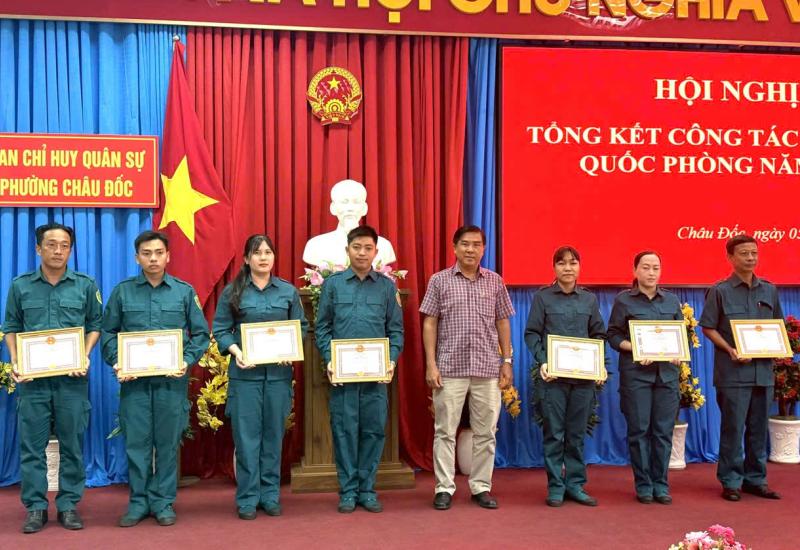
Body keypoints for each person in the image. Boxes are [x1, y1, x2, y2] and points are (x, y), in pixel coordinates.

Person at [101, 230, 210, 527]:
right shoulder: (122, 292)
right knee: (136, 444)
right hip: (135, 383)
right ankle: (138, 502)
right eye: (146, 253)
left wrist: (185, 361)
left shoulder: (183, 292)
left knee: (167, 444)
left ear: (168, 256)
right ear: (137, 257)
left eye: (159, 253)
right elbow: (108, 333)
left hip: (171, 383)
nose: (153, 258)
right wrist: (118, 362)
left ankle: (163, 502)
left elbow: (201, 334)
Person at [2, 223, 102, 534]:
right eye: (51, 244)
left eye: (64, 245)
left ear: (70, 250)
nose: (58, 251)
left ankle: (68, 505)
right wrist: (16, 361)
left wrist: (84, 354)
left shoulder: (85, 285)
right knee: (32, 447)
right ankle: (36, 507)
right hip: (33, 383)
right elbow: (11, 327)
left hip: (72, 381)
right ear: (38, 248)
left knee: (72, 444)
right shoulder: (20, 286)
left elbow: (95, 325)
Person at [212, 234, 308, 520]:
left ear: (274, 257)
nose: (263, 257)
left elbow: (301, 327)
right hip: (245, 378)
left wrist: (291, 348)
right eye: (257, 253)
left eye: (268, 252)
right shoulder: (233, 292)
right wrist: (236, 351)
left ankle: (270, 495)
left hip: (278, 378)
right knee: (246, 440)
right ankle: (247, 497)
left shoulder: (287, 292)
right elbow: (221, 329)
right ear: (246, 259)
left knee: (273, 437)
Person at [420, 224, 514, 511]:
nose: (470, 249)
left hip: (487, 368)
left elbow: (502, 321)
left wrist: (507, 361)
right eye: (465, 244)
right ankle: (444, 488)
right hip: (449, 367)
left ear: (483, 249)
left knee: (486, 432)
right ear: (454, 247)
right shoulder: (439, 281)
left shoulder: (494, 281)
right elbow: (430, 322)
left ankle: (481, 486)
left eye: (476, 244)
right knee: (445, 431)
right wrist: (431, 364)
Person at [315, 225, 404, 513]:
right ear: (347, 250)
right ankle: (348, 491)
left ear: (375, 252)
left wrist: (391, 360)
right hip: (343, 377)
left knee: (373, 432)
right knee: (344, 432)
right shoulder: (333, 285)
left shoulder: (387, 287)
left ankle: (367, 490)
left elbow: (396, 330)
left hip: (376, 377)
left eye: (368, 248)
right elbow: (322, 328)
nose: (362, 253)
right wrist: (329, 359)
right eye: (357, 247)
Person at [700, 235, 783, 502]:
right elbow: (708, 327)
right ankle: (731, 481)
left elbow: (777, 327)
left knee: (758, 429)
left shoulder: (769, 290)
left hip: (763, 373)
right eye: (744, 253)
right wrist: (730, 349)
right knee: (733, 429)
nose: (750, 258)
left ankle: (756, 480)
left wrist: (777, 347)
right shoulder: (720, 291)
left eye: (754, 253)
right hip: (733, 373)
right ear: (730, 257)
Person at [524, 246, 607, 507]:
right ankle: (555, 487)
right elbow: (532, 334)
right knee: (554, 434)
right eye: (562, 263)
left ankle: (575, 485)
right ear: (554, 268)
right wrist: (544, 361)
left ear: (579, 267)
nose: (568, 268)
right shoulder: (543, 298)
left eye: (573, 263)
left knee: (577, 435)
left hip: (583, 380)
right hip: (553, 380)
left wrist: (600, 364)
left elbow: (598, 334)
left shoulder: (589, 300)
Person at [607, 251, 683, 505]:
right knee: (639, 431)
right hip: (636, 375)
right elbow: (613, 336)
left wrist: (678, 353)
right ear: (635, 271)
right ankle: (643, 484)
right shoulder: (624, 300)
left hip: (667, 376)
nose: (651, 273)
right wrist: (635, 349)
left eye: (656, 268)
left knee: (663, 431)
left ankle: (661, 484)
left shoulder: (672, 301)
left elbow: (681, 336)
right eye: (646, 267)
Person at [302, 179, 396, 268]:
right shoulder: (316, 245)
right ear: (333, 208)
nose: (350, 208)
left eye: (356, 202)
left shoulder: (383, 245)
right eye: (344, 202)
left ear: (364, 208)